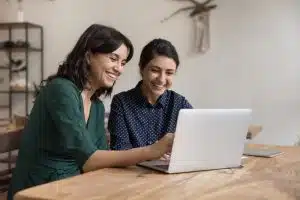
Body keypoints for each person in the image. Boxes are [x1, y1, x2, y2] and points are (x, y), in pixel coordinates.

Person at [7, 25, 173, 200]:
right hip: (39, 191)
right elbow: (89, 160)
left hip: (75, 186)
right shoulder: (61, 90)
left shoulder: (97, 106)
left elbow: (101, 160)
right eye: (113, 59)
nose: (119, 69)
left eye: (123, 63)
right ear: (88, 56)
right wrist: (151, 150)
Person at [108, 38, 192, 152]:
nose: (161, 79)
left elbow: (194, 145)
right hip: (132, 170)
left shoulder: (180, 104)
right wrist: (152, 153)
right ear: (141, 68)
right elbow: (119, 151)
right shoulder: (121, 102)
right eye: (155, 70)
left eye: (169, 73)